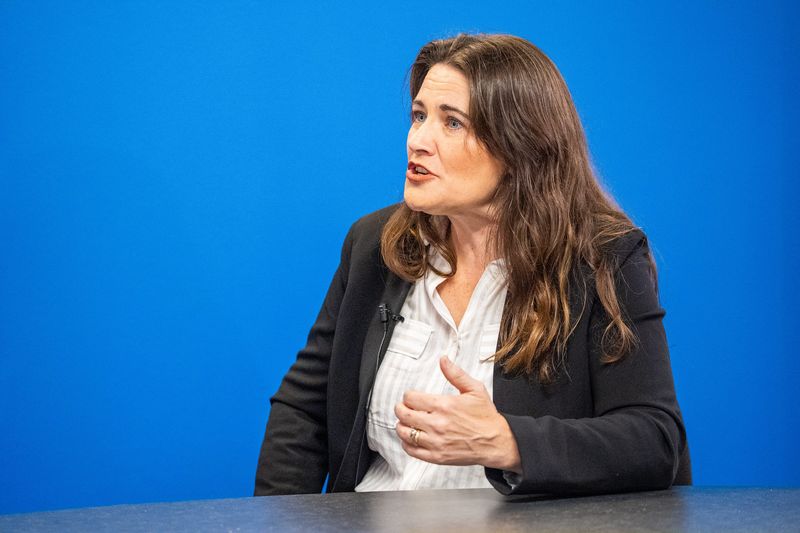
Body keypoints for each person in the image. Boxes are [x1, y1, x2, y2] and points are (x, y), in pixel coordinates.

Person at [254, 33, 690, 496]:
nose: (418, 141)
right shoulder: (373, 246)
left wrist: (507, 442)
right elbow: (302, 413)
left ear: (521, 146)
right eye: (418, 116)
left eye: (452, 123)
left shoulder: (602, 259)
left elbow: (654, 439)